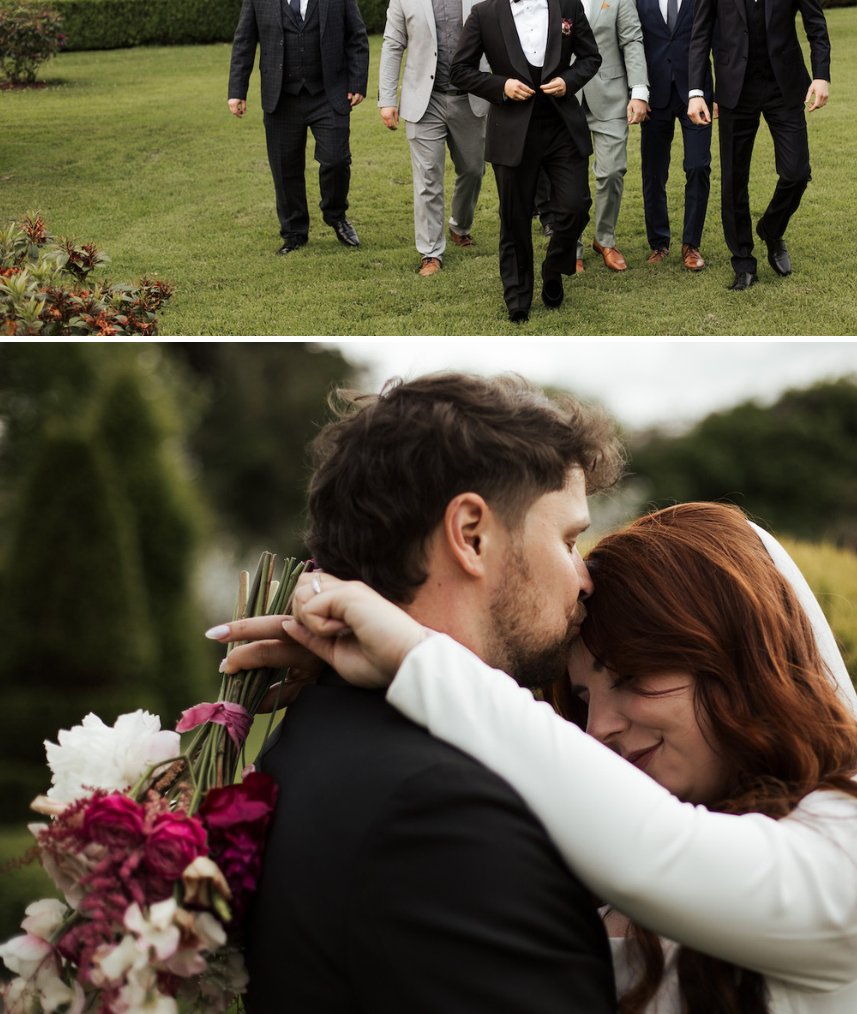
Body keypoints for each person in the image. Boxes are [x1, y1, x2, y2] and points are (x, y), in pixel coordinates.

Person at [277, 502, 857, 1014]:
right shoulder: (587, 835)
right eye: (580, 694)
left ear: (742, 662)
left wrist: (417, 657)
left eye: (632, 679)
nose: (598, 726)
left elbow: (662, 853)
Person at [220, 373, 625, 1012]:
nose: (585, 578)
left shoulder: (315, 731)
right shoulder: (445, 811)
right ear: (470, 533)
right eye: (570, 539)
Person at [450, 0, 601, 323]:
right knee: (514, 218)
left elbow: (591, 57)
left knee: (574, 206)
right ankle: (517, 298)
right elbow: (460, 70)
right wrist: (499, 85)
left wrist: (570, 80)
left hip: (562, 125)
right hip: (512, 130)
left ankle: (554, 268)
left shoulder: (566, 5)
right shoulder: (485, 13)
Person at [687, 0, 831, 291]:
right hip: (734, 91)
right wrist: (698, 91)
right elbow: (700, 36)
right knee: (734, 179)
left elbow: (815, 25)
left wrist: (821, 74)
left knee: (797, 172)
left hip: (785, 86)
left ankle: (772, 227)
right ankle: (743, 261)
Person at [227, 0, 369, 255]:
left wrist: (357, 82)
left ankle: (336, 216)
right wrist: (237, 90)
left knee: (335, 160)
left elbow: (357, 37)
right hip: (281, 96)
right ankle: (294, 232)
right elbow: (244, 42)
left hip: (329, 93)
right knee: (285, 166)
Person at [377, 0, 497, 276]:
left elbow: (499, 39)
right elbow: (392, 46)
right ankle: (431, 252)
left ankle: (460, 226)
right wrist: (387, 98)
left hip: (471, 98)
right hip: (423, 101)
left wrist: (502, 88)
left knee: (473, 170)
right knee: (427, 178)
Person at [547, 0, 649, 274]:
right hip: (565, 101)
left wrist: (639, 92)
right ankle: (570, 246)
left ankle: (605, 238)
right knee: (569, 180)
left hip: (611, 95)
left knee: (612, 172)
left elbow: (632, 42)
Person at [628, 0, 714, 273]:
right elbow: (631, 42)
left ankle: (691, 244)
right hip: (655, 92)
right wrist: (637, 91)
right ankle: (659, 241)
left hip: (697, 91)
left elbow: (718, 39)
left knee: (698, 166)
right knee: (653, 171)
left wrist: (717, 91)